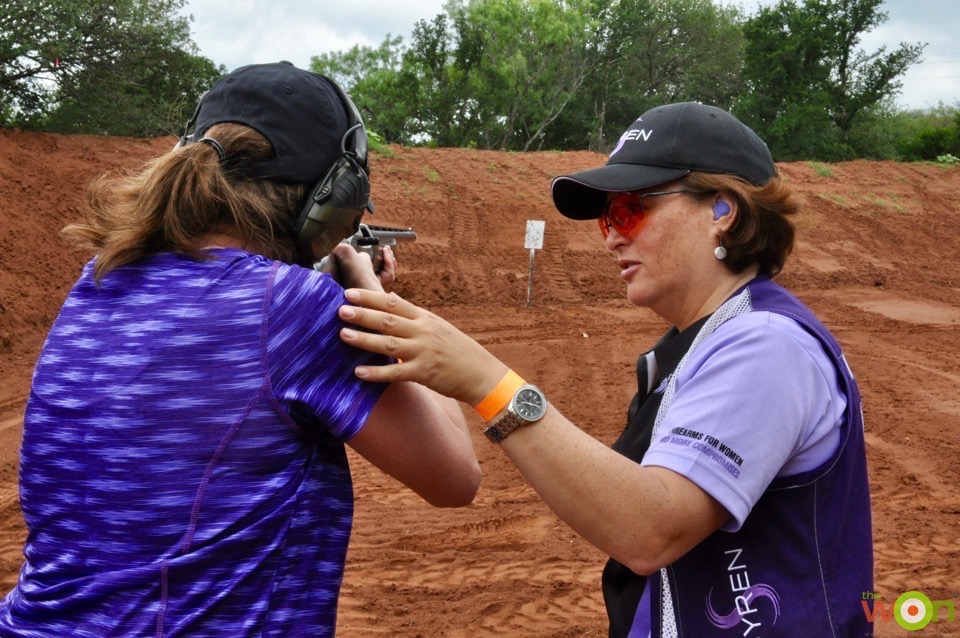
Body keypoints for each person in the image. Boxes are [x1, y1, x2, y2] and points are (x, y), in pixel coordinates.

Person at [334, 102, 873, 636]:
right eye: (607, 218)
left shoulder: (764, 344)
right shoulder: (712, 338)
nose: (613, 234)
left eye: (631, 210)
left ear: (722, 211)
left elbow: (649, 528)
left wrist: (488, 383)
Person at [0, 62, 480, 637]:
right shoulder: (292, 306)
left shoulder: (98, 281)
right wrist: (370, 295)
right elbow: (454, 478)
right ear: (328, 201)